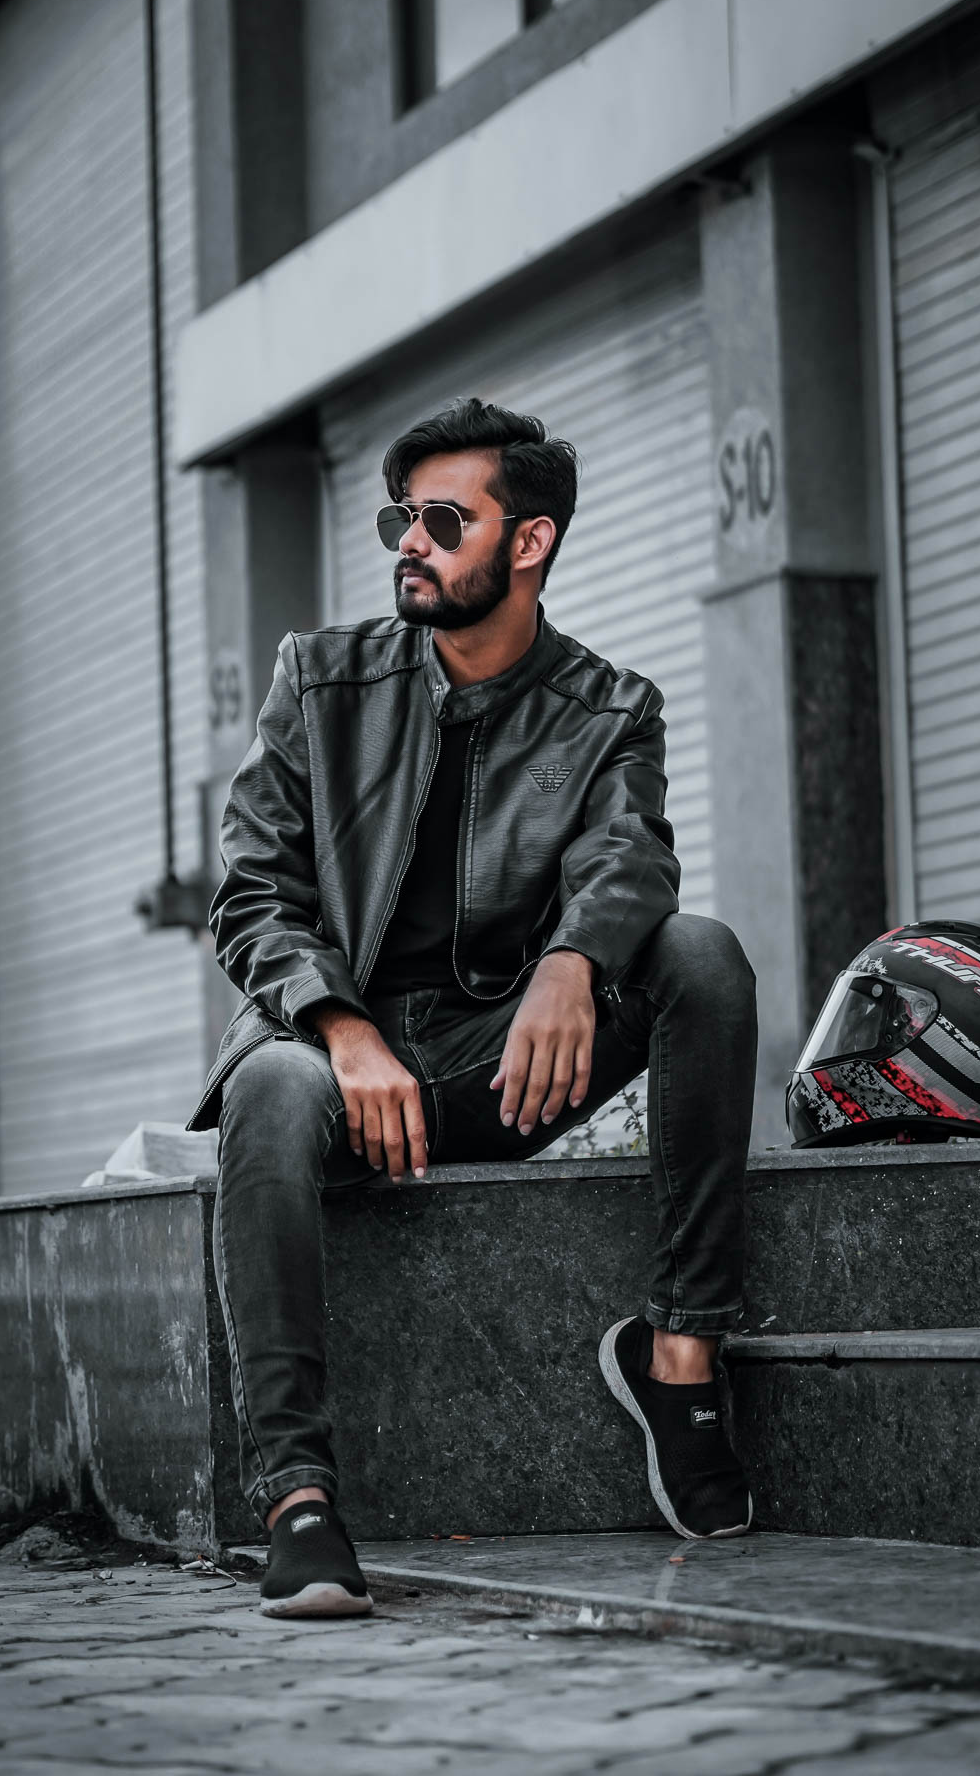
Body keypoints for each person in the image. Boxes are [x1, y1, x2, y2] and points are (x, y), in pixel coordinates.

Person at [188, 398, 760, 1619]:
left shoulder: (610, 707)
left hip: (505, 1065)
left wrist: (570, 960)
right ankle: (297, 1497)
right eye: (401, 516)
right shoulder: (319, 678)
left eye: (443, 519)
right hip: (334, 1061)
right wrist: (340, 1029)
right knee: (270, 1082)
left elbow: (632, 859)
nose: (410, 540)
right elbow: (250, 894)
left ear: (531, 539)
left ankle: (680, 1360)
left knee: (701, 956)